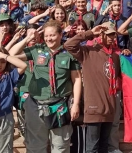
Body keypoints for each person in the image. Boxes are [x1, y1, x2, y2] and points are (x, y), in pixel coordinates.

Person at [10, 20, 83, 153]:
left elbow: (77, 79)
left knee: (60, 147)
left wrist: (76, 104)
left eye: (53, 35)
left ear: (61, 35)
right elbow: (12, 54)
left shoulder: (69, 54)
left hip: (60, 105)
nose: (49, 38)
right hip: (36, 105)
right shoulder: (36, 51)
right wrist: (28, 38)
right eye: (46, 36)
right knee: (35, 147)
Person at [64, 22, 131, 153]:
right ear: (101, 35)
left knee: (104, 147)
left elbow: (124, 76)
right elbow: (68, 45)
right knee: (92, 148)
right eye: (108, 35)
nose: (112, 38)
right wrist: (89, 34)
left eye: (113, 35)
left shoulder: (116, 56)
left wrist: (128, 56)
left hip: (110, 108)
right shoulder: (88, 52)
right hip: (94, 108)